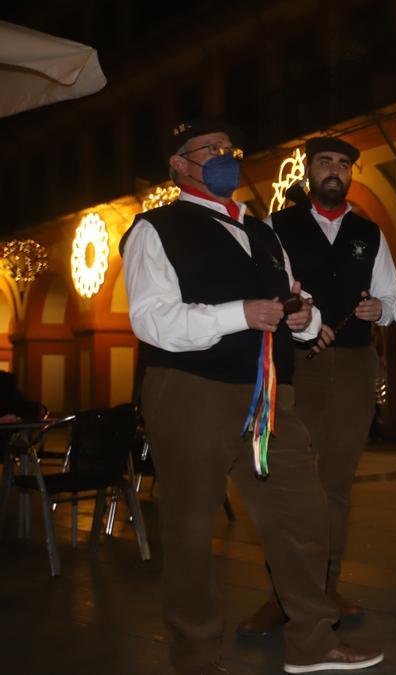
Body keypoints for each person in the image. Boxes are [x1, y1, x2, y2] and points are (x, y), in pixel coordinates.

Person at [121, 118, 382, 674]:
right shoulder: (155, 228)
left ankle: (313, 641)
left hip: (268, 392)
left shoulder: (263, 233)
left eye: (228, 147)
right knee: (191, 530)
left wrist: (304, 316)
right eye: (207, 149)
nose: (222, 155)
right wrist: (238, 314)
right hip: (191, 392)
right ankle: (195, 658)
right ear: (178, 165)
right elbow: (151, 320)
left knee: (303, 512)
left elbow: (288, 302)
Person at [237, 136, 396, 634]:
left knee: (336, 484)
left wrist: (384, 309)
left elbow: (394, 297)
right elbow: (263, 292)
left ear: (353, 174)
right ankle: (283, 594)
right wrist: (301, 313)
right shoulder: (275, 227)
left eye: (344, 164)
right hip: (296, 367)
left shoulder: (368, 233)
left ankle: (324, 586)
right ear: (308, 171)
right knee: (291, 484)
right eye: (325, 162)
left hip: (355, 365)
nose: (334, 170)